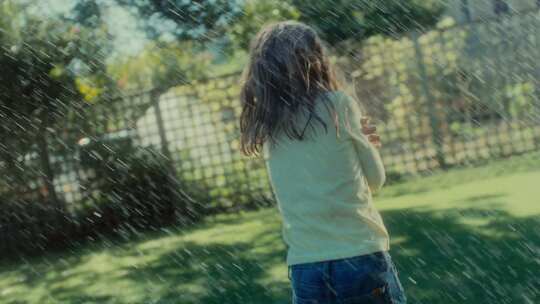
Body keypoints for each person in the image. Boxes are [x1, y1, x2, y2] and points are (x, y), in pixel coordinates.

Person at [239, 21, 406, 304]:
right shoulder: (338, 105)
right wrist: (366, 144)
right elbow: (375, 180)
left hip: (306, 267)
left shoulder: (267, 125)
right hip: (359, 255)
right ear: (315, 59)